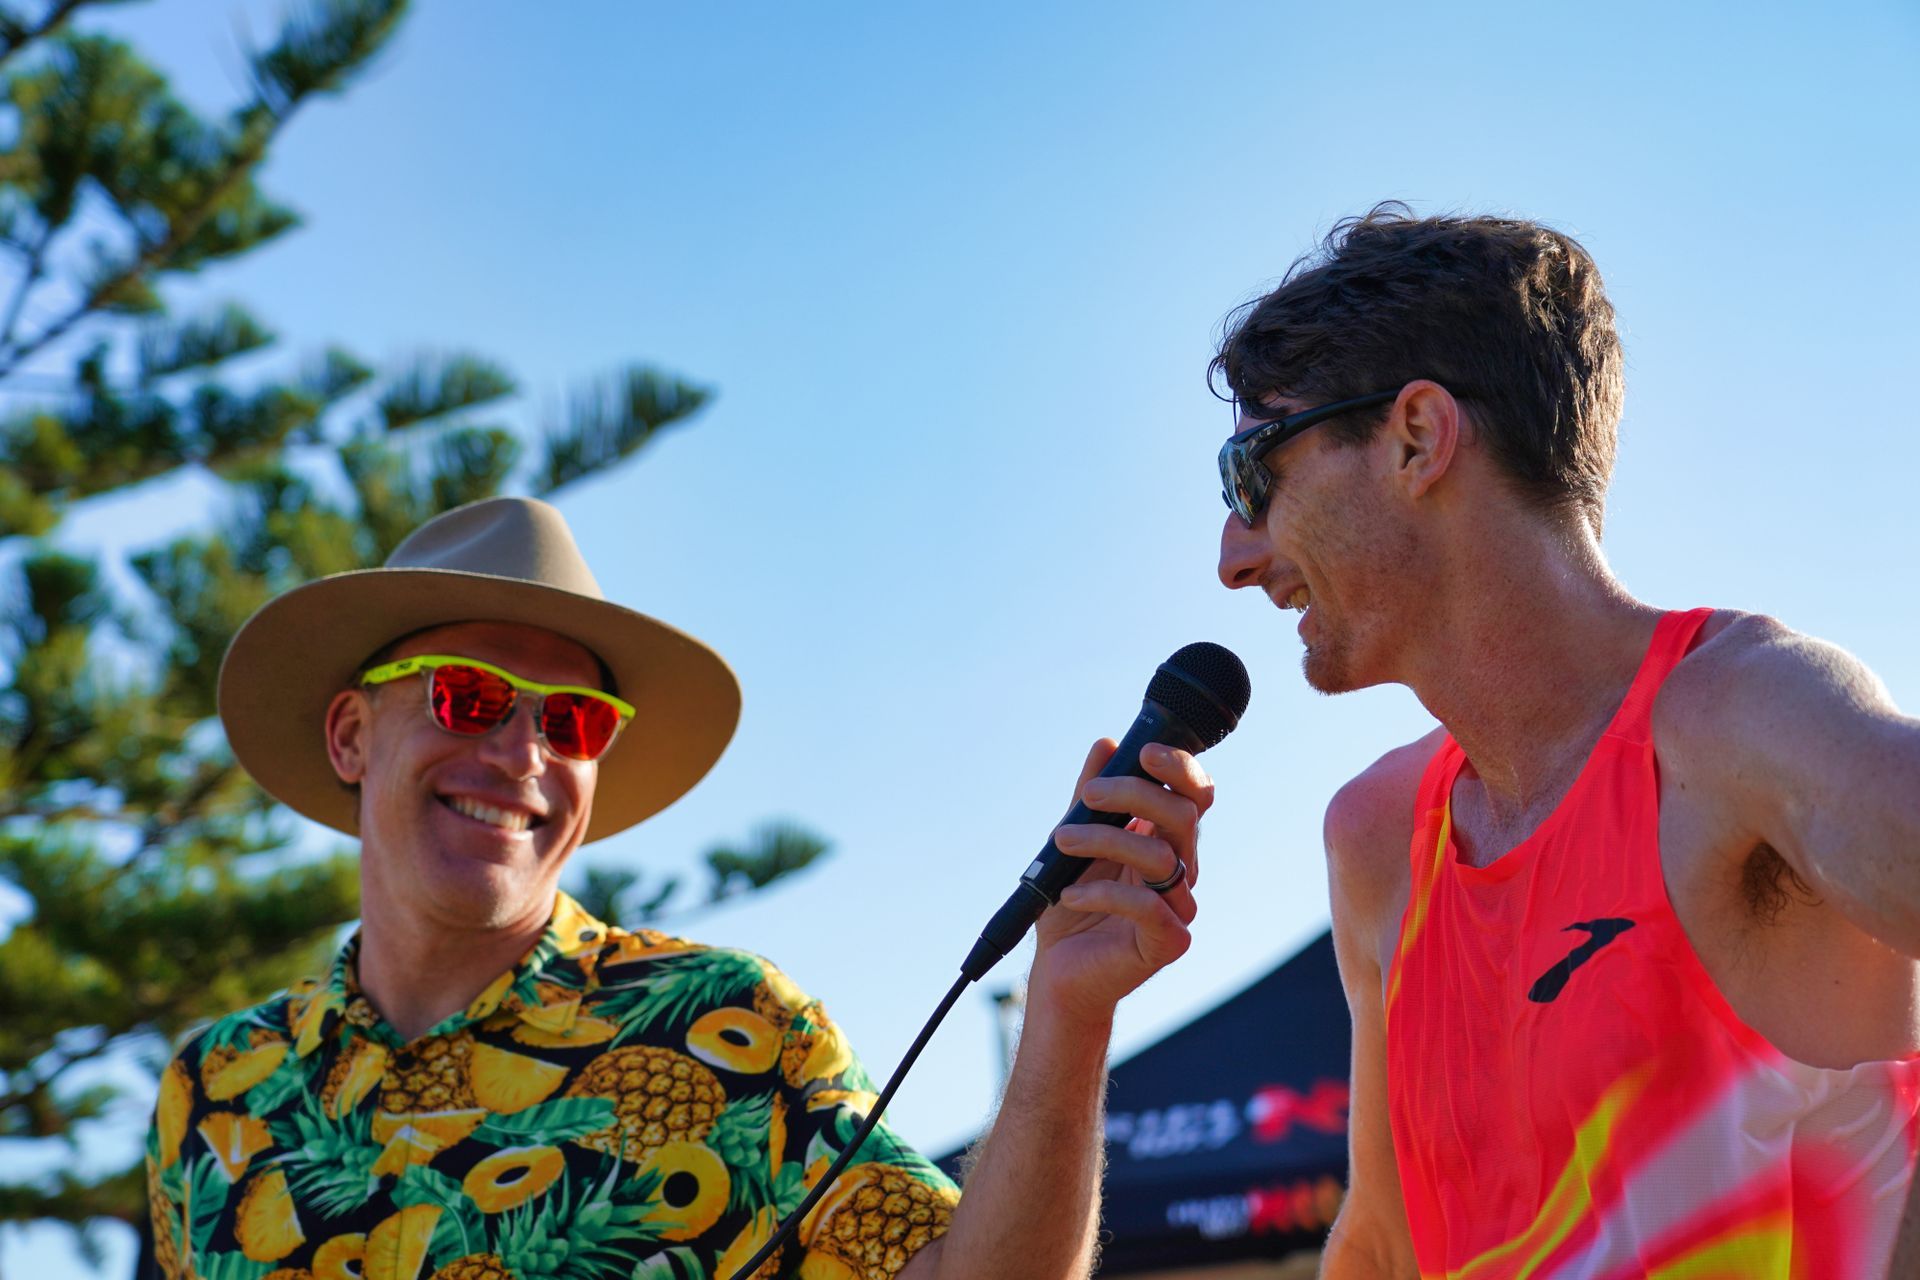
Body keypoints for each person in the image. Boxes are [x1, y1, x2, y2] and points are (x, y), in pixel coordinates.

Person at [146, 495, 1211, 1280]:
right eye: (472, 698)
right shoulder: (213, 1089)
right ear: (350, 732)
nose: (523, 754)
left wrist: (1067, 1009)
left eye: (571, 721)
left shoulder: (727, 1027)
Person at [1211, 206, 1920, 1277]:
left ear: (1417, 436)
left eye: (1252, 472)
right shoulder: (1380, 837)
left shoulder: (1738, 720)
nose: (1233, 551)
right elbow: (1382, 1248)